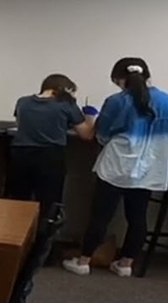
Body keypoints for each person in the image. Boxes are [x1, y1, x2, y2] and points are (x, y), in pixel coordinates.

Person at [63, 58, 168, 278]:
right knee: (138, 217)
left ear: (120, 79)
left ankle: (83, 261)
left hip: (115, 166)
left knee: (101, 215)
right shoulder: (165, 101)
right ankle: (126, 264)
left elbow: (102, 136)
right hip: (148, 169)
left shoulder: (116, 101)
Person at [6, 74, 96, 215]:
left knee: (19, 201)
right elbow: (86, 135)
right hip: (49, 157)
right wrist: (90, 117)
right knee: (49, 203)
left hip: (20, 156)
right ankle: (42, 235)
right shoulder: (66, 104)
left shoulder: (22, 102)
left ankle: (18, 234)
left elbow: (21, 124)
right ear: (62, 89)